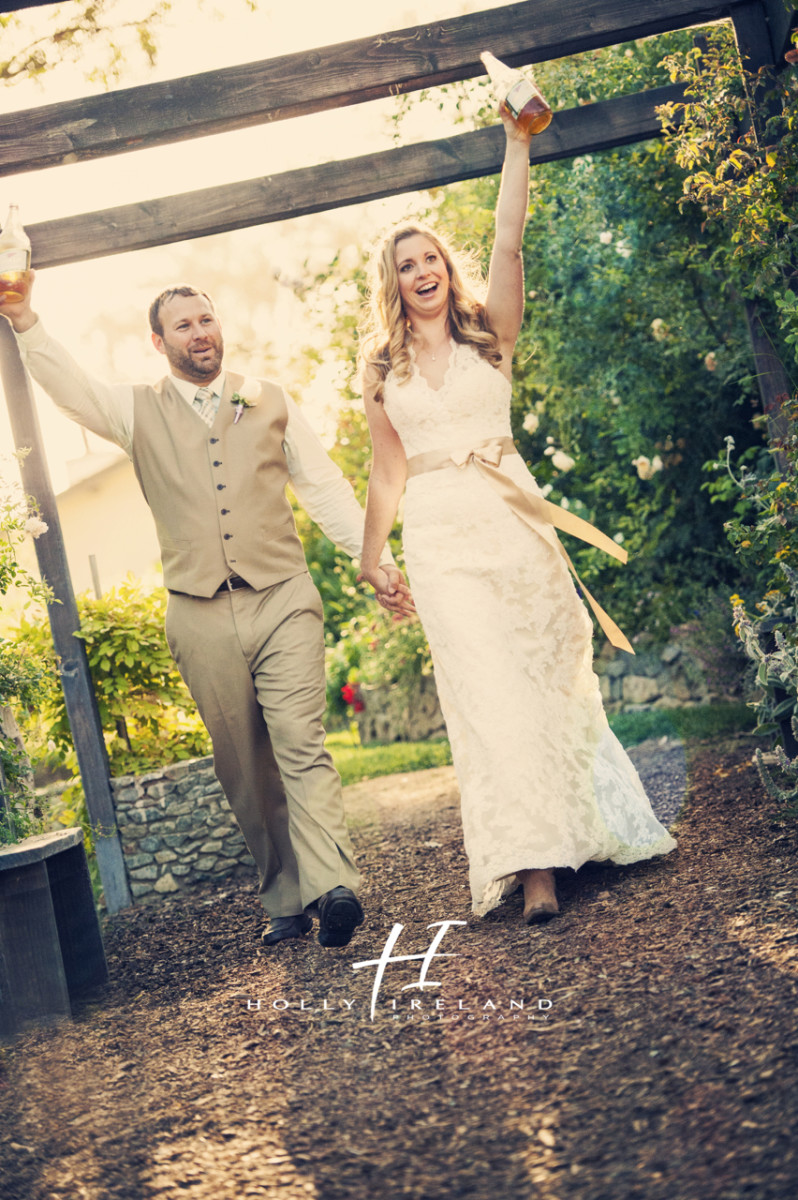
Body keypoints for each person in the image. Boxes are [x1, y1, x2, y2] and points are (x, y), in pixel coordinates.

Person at [2, 277, 411, 948]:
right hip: (197, 612)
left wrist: (378, 563)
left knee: (302, 745)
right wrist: (24, 319)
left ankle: (333, 886)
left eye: (207, 320)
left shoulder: (271, 400)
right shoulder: (137, 411)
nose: (201, 333)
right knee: (243, 765)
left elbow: (324, 487)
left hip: (283, 597)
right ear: (159, 343)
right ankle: (284, 894)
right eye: (184, 326)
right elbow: (70, 387)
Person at [358, 105, 677, 926]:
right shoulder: (380, 367)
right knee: (484, 694)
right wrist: (373, 555)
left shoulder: (489, 333)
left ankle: (580, 829)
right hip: (439, 540)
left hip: (512, 522)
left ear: (445, 268)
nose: (422, 271)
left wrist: (516, 143)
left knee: (543, 682)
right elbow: (387, 466)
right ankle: (532, 867)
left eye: (431, 257)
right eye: (406, 265)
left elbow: (508, 241)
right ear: (390, 283)